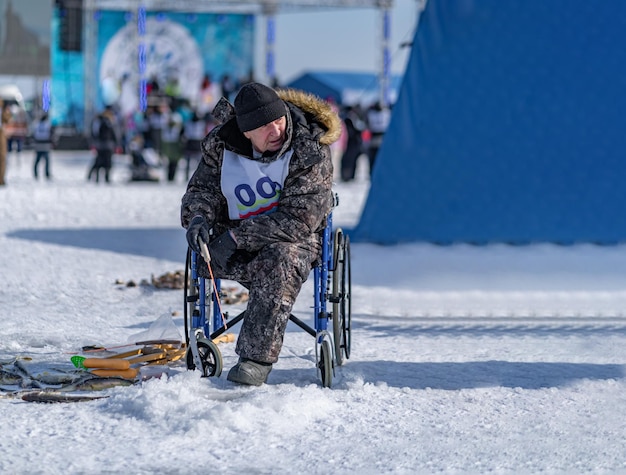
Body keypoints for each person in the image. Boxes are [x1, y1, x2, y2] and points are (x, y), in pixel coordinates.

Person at [181, 82, 341, 386]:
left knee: (280, 257)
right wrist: (198, 218)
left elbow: (299, 219)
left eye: (279, 120)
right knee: (206, 245)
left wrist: (238, 238)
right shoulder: (221, 146)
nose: (277, 130)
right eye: (266, 126)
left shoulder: (309, 149)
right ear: (245, 132)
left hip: (293, 242)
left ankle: (255, 359)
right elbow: (202, 190)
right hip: (232, 243)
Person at [88, 107, 120, 183]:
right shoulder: (99, 120)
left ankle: (107, 177)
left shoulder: (111, 121)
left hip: (109, 145)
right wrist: (95, 142)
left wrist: (116, 143)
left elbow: (114, 133)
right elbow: (95, 132)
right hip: (101, 145)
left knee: (108, 162)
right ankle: (95, 177)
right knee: (99, 161)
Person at [365, 101, 391, 177]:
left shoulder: (372, 114)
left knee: (374, 160)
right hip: (380, 140)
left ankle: (373, 174)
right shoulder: (386, 114)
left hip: (376, 140)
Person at [340, 105, 365, 182]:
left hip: (351, 143)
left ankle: (348, 176)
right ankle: (347, 176)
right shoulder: (350, 119)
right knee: (349, 160)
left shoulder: (350, 118)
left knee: (350, 160)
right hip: (351, 143)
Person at [32, 113, 54, 180]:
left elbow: (33, 134)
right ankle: (46, 174)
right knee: (46, 161)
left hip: (38, 144)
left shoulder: (36, 124)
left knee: (37, 160)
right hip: (45, 145)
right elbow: (51, 134)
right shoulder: (47, 125)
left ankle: (36, 174)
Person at [0, 100, 10, 186]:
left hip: (1, 133)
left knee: (2, 158)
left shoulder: (2, 107)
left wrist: (6, 111)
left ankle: (1, 179)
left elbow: (8, 119)